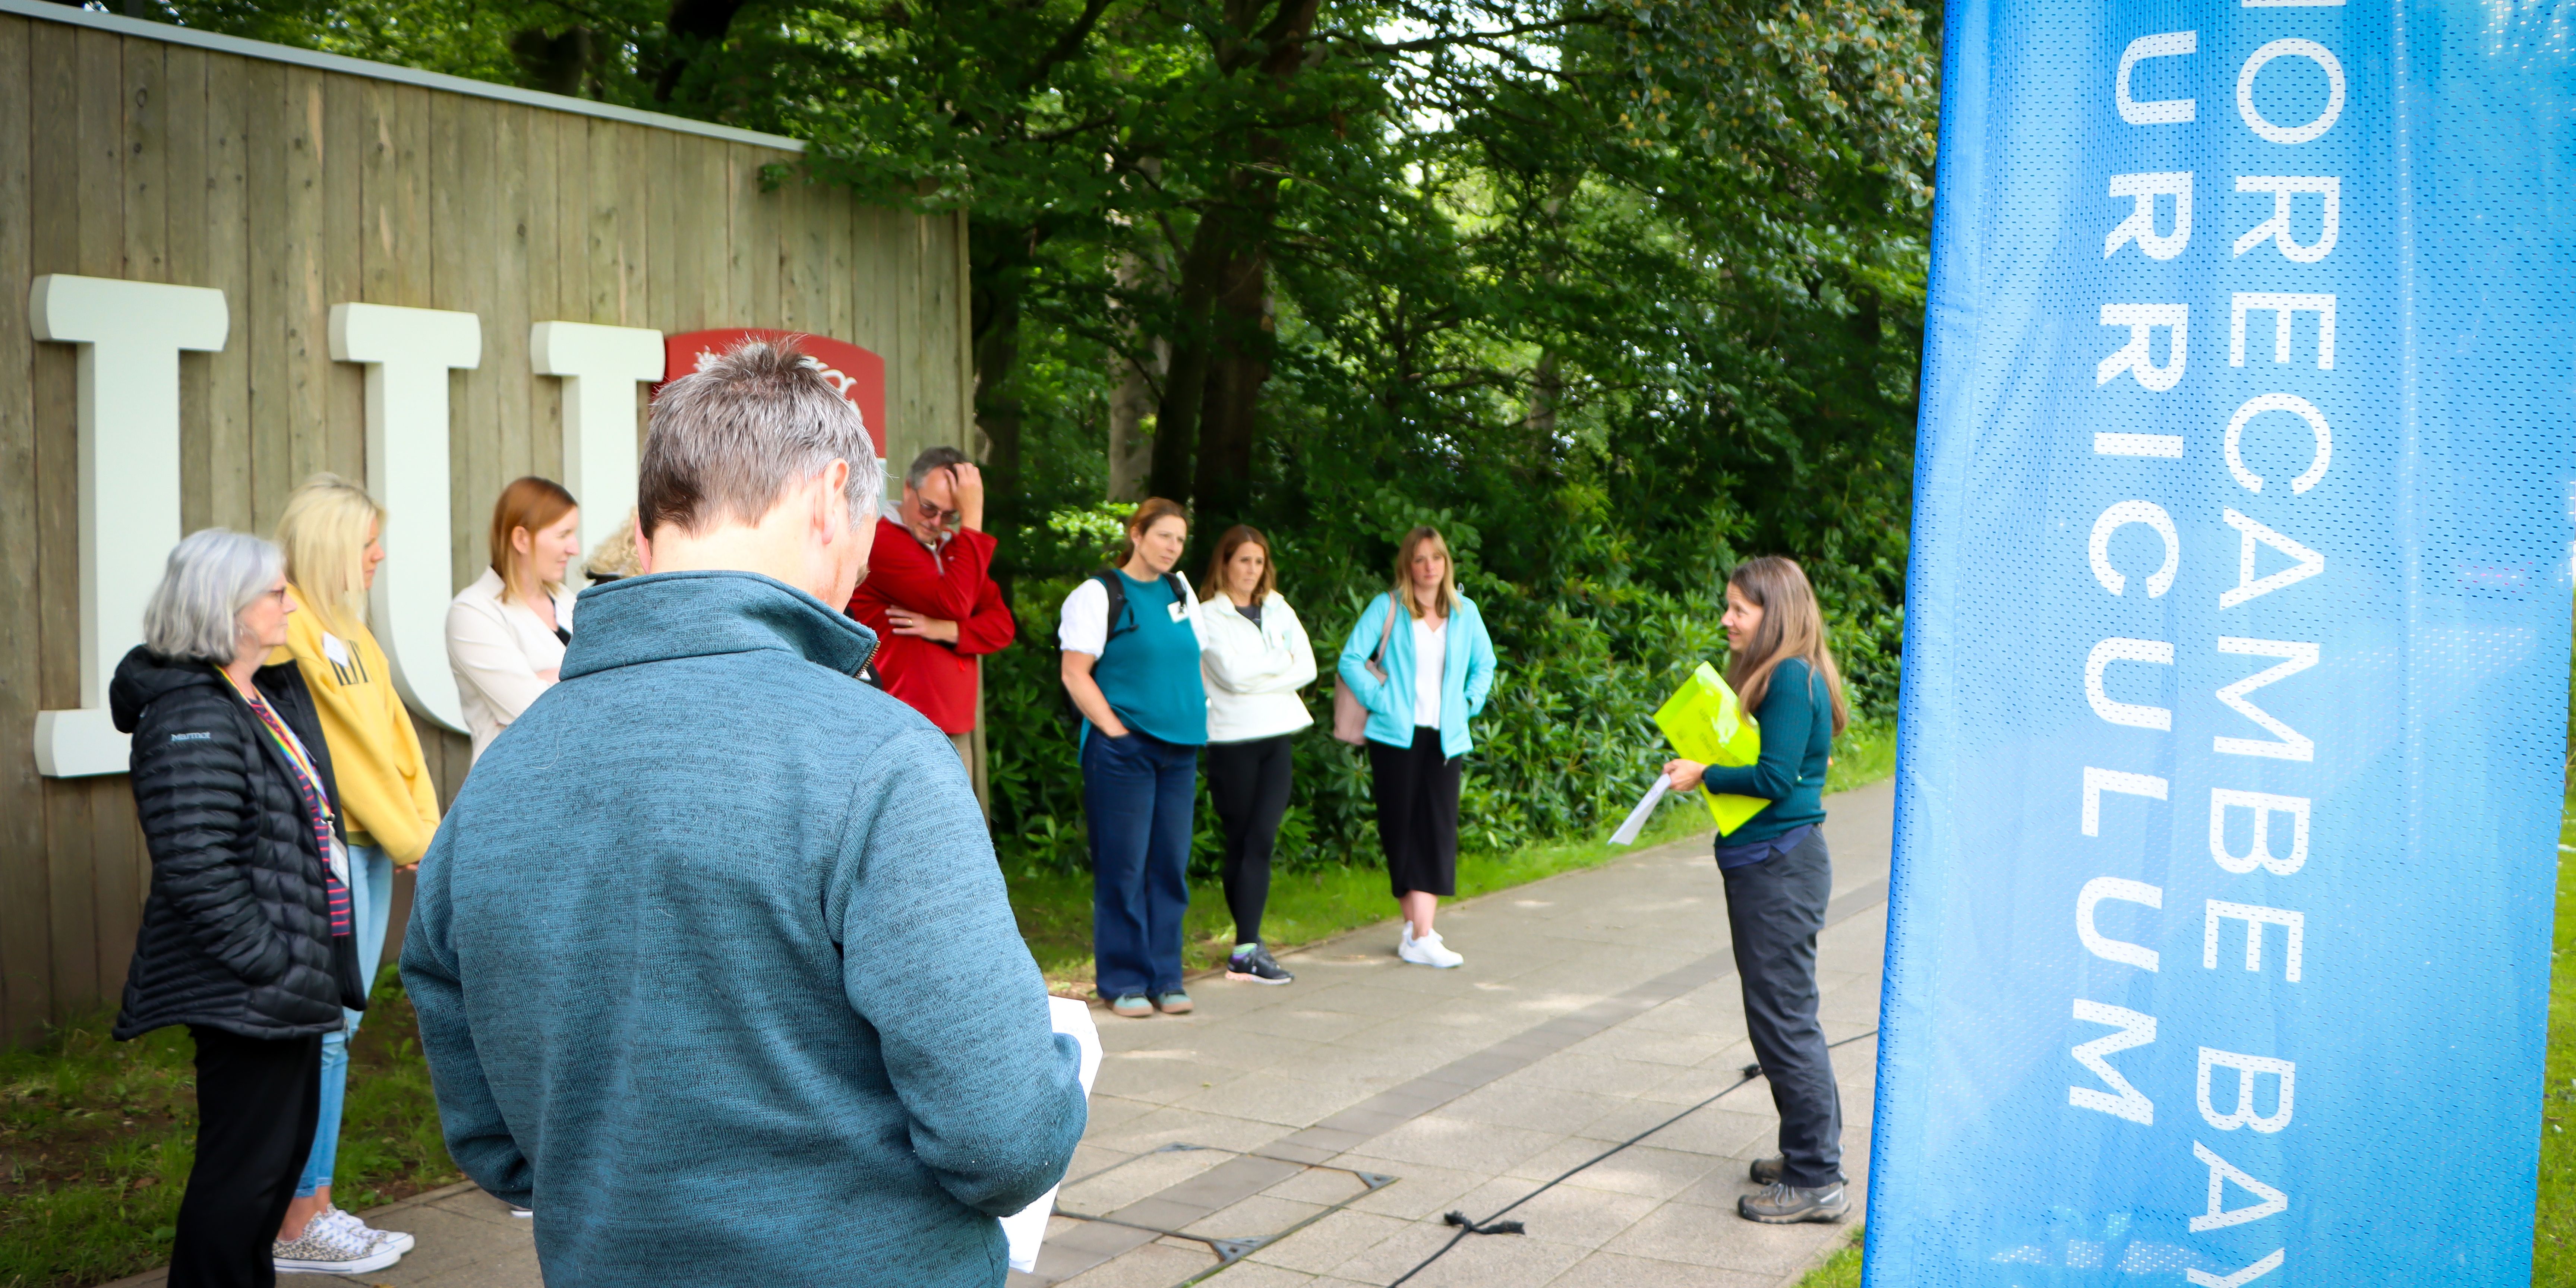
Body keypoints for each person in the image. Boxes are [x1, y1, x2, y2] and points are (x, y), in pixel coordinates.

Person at [401, 338, 1086, 1287]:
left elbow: (492, 1133)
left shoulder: (500, 779)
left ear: (646, 540)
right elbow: (1006, 1135)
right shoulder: (880, 757)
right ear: (828, 499)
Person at [109, 529, 391, 1285]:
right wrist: (274, 963)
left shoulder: (255, 696)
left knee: (269, 1177)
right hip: (246, 988)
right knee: (241, 1182)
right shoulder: (188, 716)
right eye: (275, 592)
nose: (291, 602)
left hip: (286, 980)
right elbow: (197, 866)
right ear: (225, 609)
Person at [269, 474, 441, 1263]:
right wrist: (411, 837)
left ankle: (316, 1205)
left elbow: (399, 743)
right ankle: (301, 1220)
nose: (378, 557)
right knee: (327, 1032)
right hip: (337, 849)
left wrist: (423, 833)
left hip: (376, 846)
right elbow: (344, 757)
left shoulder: (353, 635)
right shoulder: (290, 632)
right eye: (367, 543)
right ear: (331, 547)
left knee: (343, 1029)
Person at [1660, 555, 1852, 1225]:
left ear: (1775, 613)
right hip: (1770, 864)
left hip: (1781, 868)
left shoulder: (1791, 678)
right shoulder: (1784, 677)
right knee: (1782, 1017)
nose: (1727, 619)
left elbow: (1773, 779)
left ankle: (1815, 1178)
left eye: (1739, 608)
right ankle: (1810, 1153)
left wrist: (1704, 772)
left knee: (1783, 1021)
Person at [1058, 498, 1208, 1019]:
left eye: (1180, 540)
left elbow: (1194, 658)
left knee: (1168, 866)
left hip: (1179, 751)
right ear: (1137, 533)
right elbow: (1075, 672)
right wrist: (1115, 731)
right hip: (1124, 752)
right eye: (1163, 536)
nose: (1172, 547)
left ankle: (1166, 978)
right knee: (1123, 867)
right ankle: (1123, 981)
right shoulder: (1100, 595)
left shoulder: (1179, 589)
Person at [1336, 526, 1496, 970]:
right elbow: (1351, 659)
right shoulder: (1387, 608)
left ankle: (1423, 934)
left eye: (1437, 558)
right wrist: (1382, 701)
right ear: (1408, 565)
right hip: (1394, 736)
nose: (1429, 567)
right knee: (1400, 830)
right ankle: (1413, 932)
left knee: (1436, 829)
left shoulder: (1465, 613)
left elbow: (1485, 665)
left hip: (1445, 737)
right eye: (1420, 559)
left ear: (1446, 564)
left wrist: (1468, 702)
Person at [845, 445, 1016, 806]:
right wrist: (974, 519)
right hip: (906, 720)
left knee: (958, 844)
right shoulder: (884, 541)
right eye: (929, 508)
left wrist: (949, 631)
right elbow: (953, 601)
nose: (936, 522)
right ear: (907, 488)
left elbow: (1002, 625)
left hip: (957, 724)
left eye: (951, 516)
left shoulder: (955, 552)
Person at [1195, 525, 1315, 986]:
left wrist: (1272, 669)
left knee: (1263, 838)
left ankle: (1246, 947)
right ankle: (1246, 950)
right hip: (1232, 740)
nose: (1251, 570)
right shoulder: (1206, 615)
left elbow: (1307, 666)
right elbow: (1231, 676)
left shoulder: (1279, 608)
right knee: (1243, 839)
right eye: (1243, 560)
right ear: (1224, 564)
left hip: (1277, 737)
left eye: (1259, 562)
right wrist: (1279, 663)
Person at [447, 477, 582, 763]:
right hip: (513, 788)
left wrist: (547, 677)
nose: (575, 548)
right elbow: (530, 709)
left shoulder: (568, 599)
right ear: (522, 539)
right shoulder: (473, 612)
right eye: (563, 535)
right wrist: (582, 673)